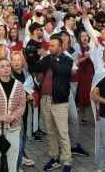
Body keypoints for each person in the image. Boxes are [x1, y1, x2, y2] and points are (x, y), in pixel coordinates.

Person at [37, 33, 74, 172]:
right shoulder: (48, 58)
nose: (50, 48)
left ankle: (67, 161)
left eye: (53, 46)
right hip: (45, 99)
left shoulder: (67, 60)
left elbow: (61, 71)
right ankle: (54, 157)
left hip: (59, 101)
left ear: (60, 47)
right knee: (50, 131)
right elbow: (35, 67)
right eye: (49, 45)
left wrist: (49, 57)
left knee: (62, 132)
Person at [0, 57, 27, 172]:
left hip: (13, 128)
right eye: (2, 66)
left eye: (8, 66)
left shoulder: (19, 85)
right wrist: (0, 116)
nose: (6, 69)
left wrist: (13, 116)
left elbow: (22, 105)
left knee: (12, 161)